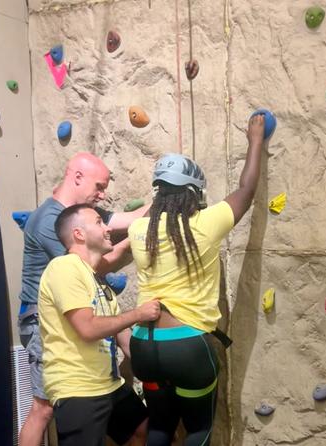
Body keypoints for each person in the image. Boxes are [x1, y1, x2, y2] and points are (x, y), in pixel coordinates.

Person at [127, 114, 266, 445]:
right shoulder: (204, 224)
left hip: (144, 348)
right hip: (188, 348)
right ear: (194, 195)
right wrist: (255, 140)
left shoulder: (137, 231)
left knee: (159, 427)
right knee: (199, 430)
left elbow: (155, 209)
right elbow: (246, 191)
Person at [18, 152, 150, 446]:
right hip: (45, 320)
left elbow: (127, 219)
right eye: (100, 186)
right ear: (77, 177)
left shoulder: (83, 215)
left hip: (78, 316)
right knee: (43, 407)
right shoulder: (53, 225)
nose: (103, 195)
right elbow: (99, 262)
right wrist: (135, 238)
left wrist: (161, 203)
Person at [39, 204, 161, 446]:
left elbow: (123, 338)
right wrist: (138, 314)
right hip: (78, 389)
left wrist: (156, 367)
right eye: (98, 222)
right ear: (78, 234)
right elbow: (88, 329)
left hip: (108, 384)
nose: (107, 228)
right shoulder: (64, 267)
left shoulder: (98, 282)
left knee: (143, 429)